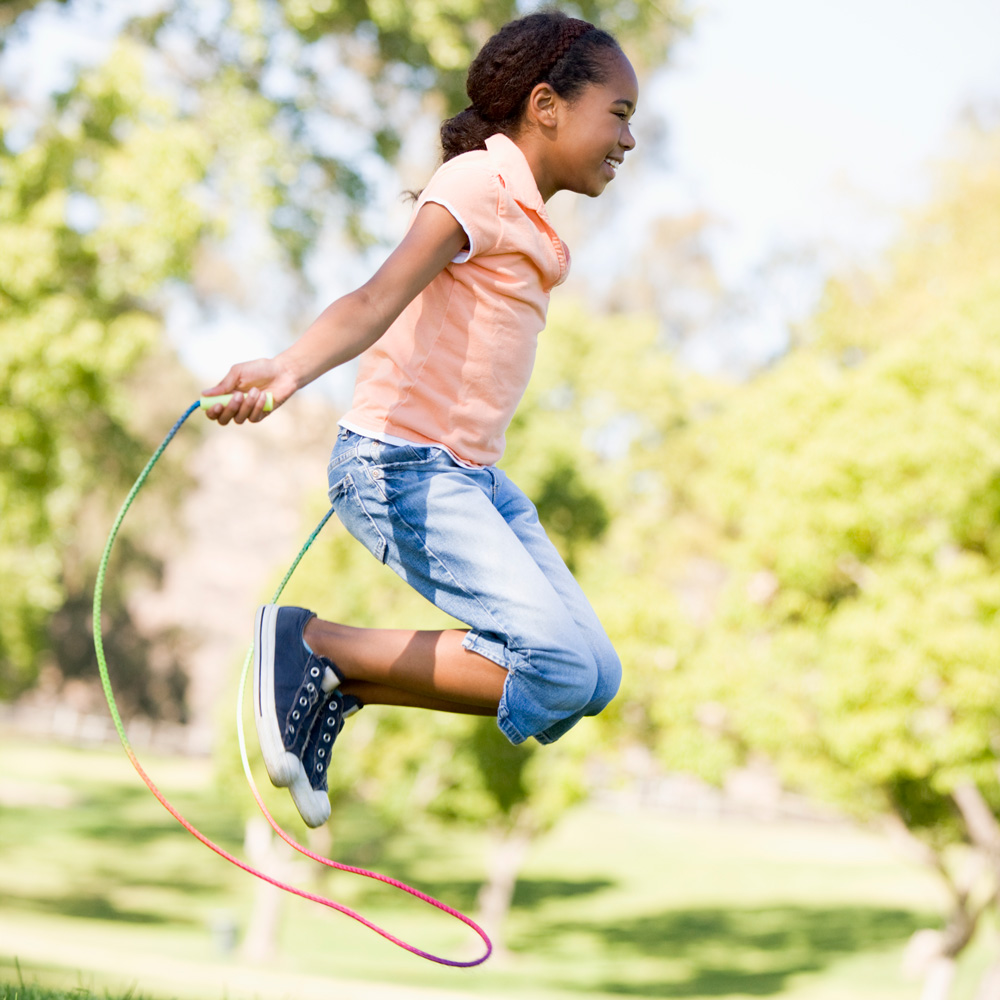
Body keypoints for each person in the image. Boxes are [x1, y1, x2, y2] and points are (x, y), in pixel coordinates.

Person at [203, 10, 638, 827]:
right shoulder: (479, 183)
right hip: (398, 466)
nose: (628, 139)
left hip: (475, 481)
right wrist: (289, 368)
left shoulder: (530, 217)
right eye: (618, 114)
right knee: (550, 664)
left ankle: (338, 678)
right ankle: (317, 646)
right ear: (546, 106)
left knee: (594, 677)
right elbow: (377, 296)